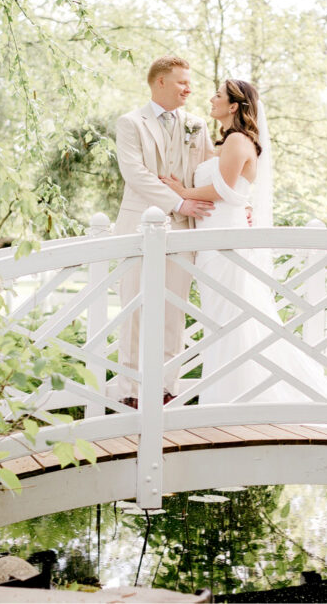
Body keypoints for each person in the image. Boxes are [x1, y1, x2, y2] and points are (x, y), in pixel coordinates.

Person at [161, 79, 327, 404]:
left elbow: (226, 190)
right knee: (220, 318)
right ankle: (225, 395)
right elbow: (237, 190)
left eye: (218, 96)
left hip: (227, 243)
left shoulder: (238, 139)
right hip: (215, 239)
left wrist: (182, 192)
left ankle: (235, 398)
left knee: (230, 317)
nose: (211, 99)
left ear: (234, 106)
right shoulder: (227, 142)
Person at [110, 56, 215, 408]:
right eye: (182, 82)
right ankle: (130, 390)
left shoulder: (196, 126)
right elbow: (135, 174)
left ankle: (166, 388)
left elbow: (205, 173)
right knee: (135, 309)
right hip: (138, 228)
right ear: (160, 83)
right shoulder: (130, 123)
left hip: (183, 231)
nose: (189, 88)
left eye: (189, 82)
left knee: (174, 310)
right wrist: (177, 202)